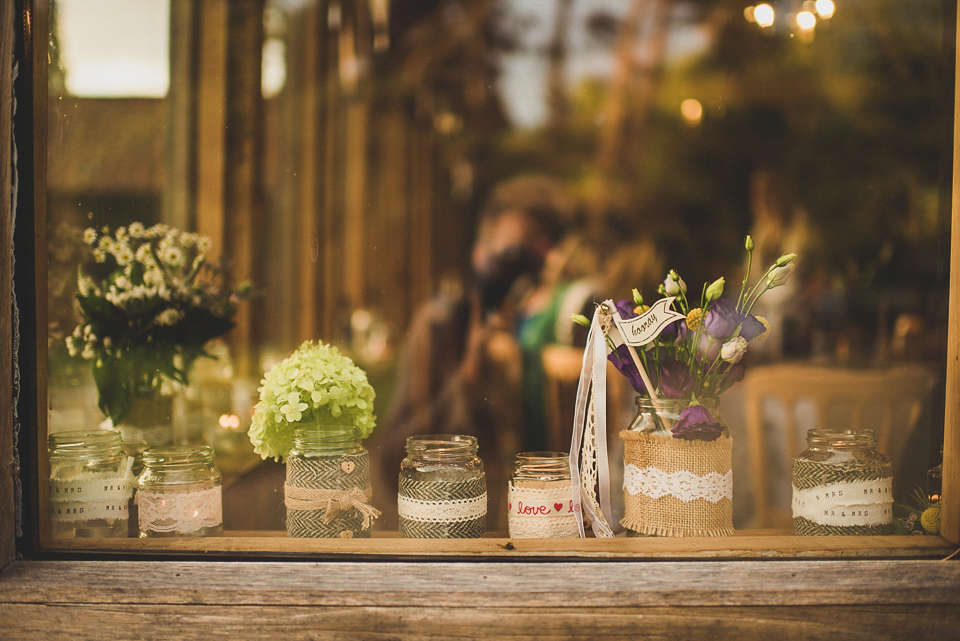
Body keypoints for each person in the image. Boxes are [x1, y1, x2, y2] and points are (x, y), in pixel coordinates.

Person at [370, 176, 575, 530]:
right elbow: (396, 459)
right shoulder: (441, 325)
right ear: (481, 252)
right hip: (456, 533)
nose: (521, 273)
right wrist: (470, 373)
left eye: (538, 256)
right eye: (512, 255)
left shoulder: (562, 326)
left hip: (540, 529)